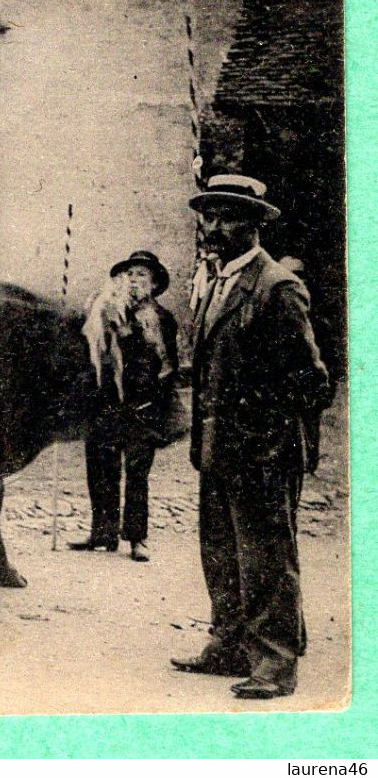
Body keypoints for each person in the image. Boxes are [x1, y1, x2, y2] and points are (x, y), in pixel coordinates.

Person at [172, 175, 331, 700]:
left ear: (257, 223)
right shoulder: (215, 282)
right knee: (219, 550)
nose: (213, 226)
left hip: (263, 450)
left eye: (228, 216)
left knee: (265, 556)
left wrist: (263, 433)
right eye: (208, 214)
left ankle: (276, 664)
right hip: (219, 448)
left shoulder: (277, 286)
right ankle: (228, 645)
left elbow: (312, 381)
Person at [75, 249, 179, 561]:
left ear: (154, 283)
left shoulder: (162, 319)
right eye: (129, 274)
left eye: (141, 275)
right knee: (100, 467)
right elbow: (92, 352)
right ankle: (102, 532)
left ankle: (137, 538)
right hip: (106, 403)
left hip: (142, 405)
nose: (134, 280)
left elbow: (168, 365)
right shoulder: (107, 313)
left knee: (136, 473)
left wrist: (158, 405)